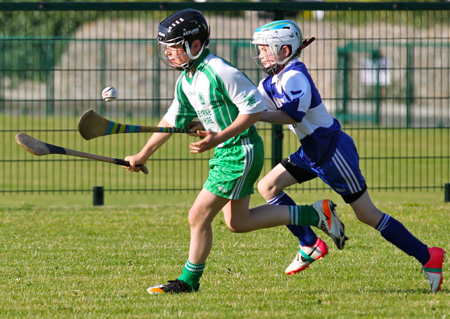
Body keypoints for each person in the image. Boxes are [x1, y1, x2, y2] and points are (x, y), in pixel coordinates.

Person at [124, 9, 347, 294]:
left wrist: (219, 136)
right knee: (238, 222)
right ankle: (314, 214)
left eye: (175, 48)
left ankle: (188, 282)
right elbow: (171, 120)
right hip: (227, 152)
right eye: (166, 49)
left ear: (195, 45)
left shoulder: (220, 70)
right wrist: (143, 155)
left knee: (198, 215)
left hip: (241, 151)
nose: (169, 54)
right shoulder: (186, 80)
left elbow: (253, 109)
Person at [250, 20, 445, 292]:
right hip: (311, 151)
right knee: (267, 186)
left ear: (284, 50)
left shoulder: (294, 76)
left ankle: (428, 256)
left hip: (332, 153)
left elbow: (290, 115)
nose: (260, 55)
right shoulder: (271, 80)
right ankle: (310, 243)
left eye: (264, 49)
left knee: (367, 214)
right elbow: (250, 106)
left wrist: (253, 115)